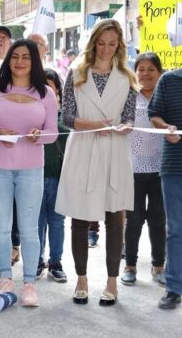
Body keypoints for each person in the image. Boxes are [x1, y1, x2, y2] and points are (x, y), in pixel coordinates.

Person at [56, 19, 138, 307]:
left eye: (112, 43)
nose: (106, 48)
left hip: (114, 150)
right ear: (93, 43)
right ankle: (81, 279)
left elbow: (130, 118)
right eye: (101, 42)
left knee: (116, 217)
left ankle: (112, 282)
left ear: (119, 45)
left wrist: (123, 127)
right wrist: (94, 125)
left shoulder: (127, 77)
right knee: (79, 217)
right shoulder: (77, 74)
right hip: (83, 148)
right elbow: (66, 117)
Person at [0, 39, 58, 306]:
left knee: (29, 229)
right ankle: (6, 280)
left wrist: (39, 136)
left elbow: (52, 132)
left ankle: (30, 283)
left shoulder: (46, 93)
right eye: (15, 56)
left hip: (31, 168)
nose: (20, 62)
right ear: (9, 60)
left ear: (34, 61)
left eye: (26, 57)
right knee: (1, 227)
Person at [121, 52, 166, 288]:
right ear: (135, 72)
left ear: (159, 72)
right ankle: (130, 266)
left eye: (151, 69)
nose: (146, 74)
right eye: (141, 69)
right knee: (134, 219)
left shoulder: (165, 96)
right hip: (133, 167)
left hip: (162, 169)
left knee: (158, 219)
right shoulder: (129, 96)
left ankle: (159, 266)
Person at [148, 58, 182, 310]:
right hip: (173, 167)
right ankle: (174, 287)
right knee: (176, 229)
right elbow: (154, 114)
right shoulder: (168, 80)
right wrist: (166, 127)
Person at [37, 69, 69, 282]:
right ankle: (36, 260)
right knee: (36, 222)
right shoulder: (30, 116)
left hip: (58, 179)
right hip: (34, 177)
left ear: (58, 91)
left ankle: (55, 261)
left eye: (51, 87)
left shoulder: (64, 120)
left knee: (57, 221)